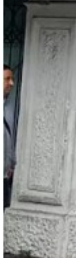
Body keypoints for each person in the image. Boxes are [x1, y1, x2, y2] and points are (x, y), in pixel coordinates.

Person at [4, 66, 16, 211]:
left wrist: (12, 162)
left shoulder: (9, 108)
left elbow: (10, 137)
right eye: (7, 79)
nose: (11, 83)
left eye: (12, 79)